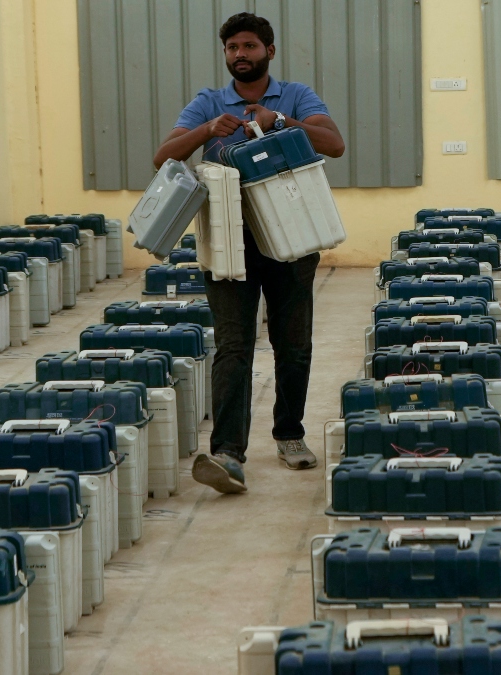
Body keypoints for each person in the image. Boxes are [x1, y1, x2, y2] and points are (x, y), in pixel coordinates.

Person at [153, 12, 345, 494]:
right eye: (232, 48)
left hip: (291, 239)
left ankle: (290, 436)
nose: (240, 54)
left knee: (293, 344)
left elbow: (333, 144)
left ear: (269, 52)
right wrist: (207, 131)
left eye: (249, 46)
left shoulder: (297, 96)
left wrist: (279, 120)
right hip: (229, 242)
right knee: (233, 347)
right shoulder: (208, 103)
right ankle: (227, 453)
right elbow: (165, 156)